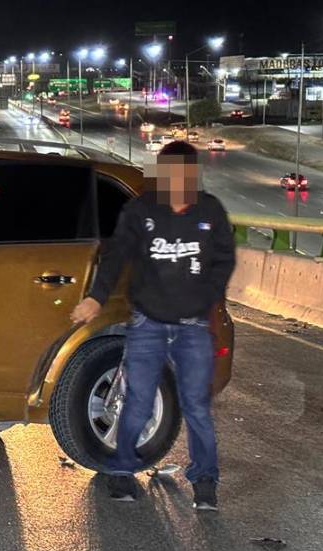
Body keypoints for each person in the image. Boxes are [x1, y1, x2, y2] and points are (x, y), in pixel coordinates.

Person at [71, 140, 236, 511]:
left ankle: (205, 481)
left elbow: (224, 258)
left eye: (185, 173)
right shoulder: (141, 211)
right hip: (148, 324)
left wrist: (209, 294)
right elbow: (115, 258)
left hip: (193, 327)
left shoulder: (210, 211)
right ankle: (122, 471)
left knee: (196, 406)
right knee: (139, 400)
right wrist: (96, 297)